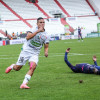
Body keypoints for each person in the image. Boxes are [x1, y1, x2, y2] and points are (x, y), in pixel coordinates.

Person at [5, 17, 50, 89]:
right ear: (37, 23)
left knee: (33, 67)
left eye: (43, 22)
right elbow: (27, 37)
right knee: (17, 68)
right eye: (40, 22)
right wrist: (38, 31)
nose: (42, 24)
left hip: (35, 53)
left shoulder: (46, 35)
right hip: (26, 51)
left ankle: (24, 84)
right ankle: (12, 66)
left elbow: (46, 46)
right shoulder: (33, 29)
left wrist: (46, 52)